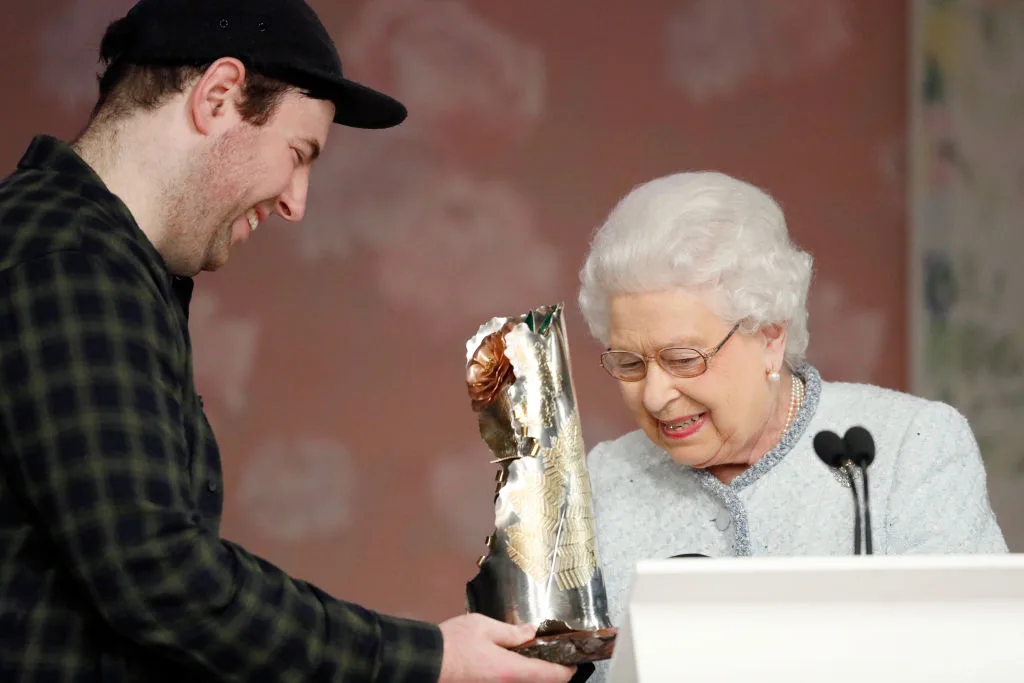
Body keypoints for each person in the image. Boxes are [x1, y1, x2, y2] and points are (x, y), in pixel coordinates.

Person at [0, 1, 576, 682]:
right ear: (216, 97)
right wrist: (431, 659)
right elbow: (155, 573)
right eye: (297, 154)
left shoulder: (91, 260)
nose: (296, 202)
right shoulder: (70, 258)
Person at [574, 171, 1008, 682]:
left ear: (771, 337)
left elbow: (980, 659)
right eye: (629, 364)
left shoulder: (908, 449)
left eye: (683, 359)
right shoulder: (601, 482)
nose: (654, 394)